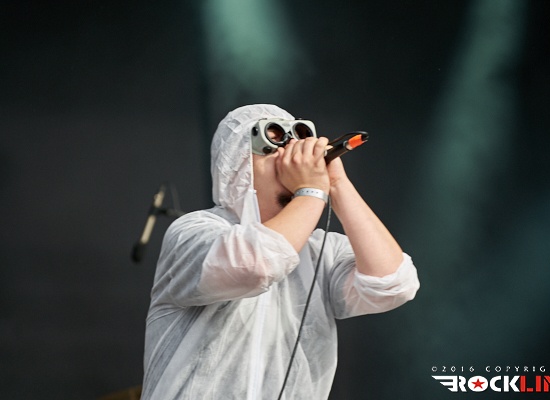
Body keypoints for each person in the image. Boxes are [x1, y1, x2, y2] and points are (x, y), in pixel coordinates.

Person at [140, 104, 420, 400]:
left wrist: (337, 184)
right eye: (274, 146)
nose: (289, 158)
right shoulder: (195, 231)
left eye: (296, 146)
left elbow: (392, 284)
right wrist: (311, 191)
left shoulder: (321, 251)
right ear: (237, 166)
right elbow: (253, 264)